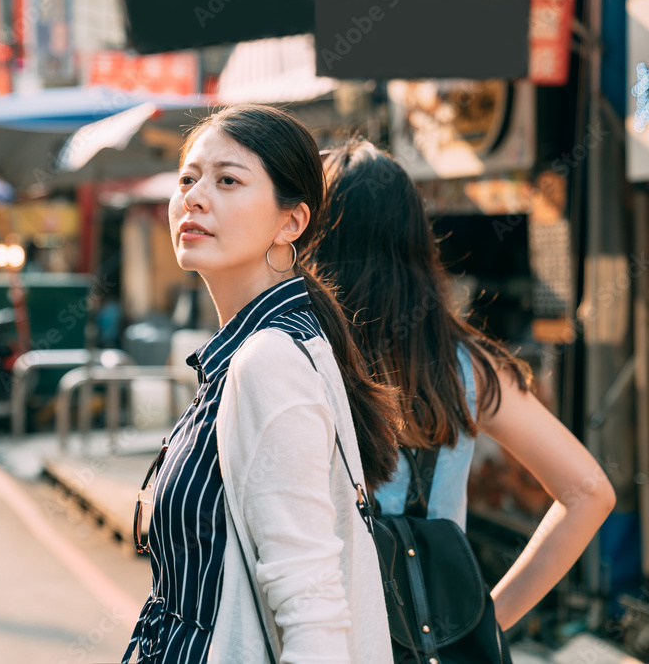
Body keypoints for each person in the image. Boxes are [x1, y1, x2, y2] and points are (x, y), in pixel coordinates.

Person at [123, 106, 401, 663]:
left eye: (228, 180)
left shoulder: (269, 362)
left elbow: (313, 613)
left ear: (291, 222)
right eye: (188, 178)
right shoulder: (255, 351)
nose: (195, 197)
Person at [314, 138, 617, 631]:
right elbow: (589, 492)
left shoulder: (293, 358)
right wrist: (485, 623)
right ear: (416, 241)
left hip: (320, 633)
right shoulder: (468, 366)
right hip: (432, 637)